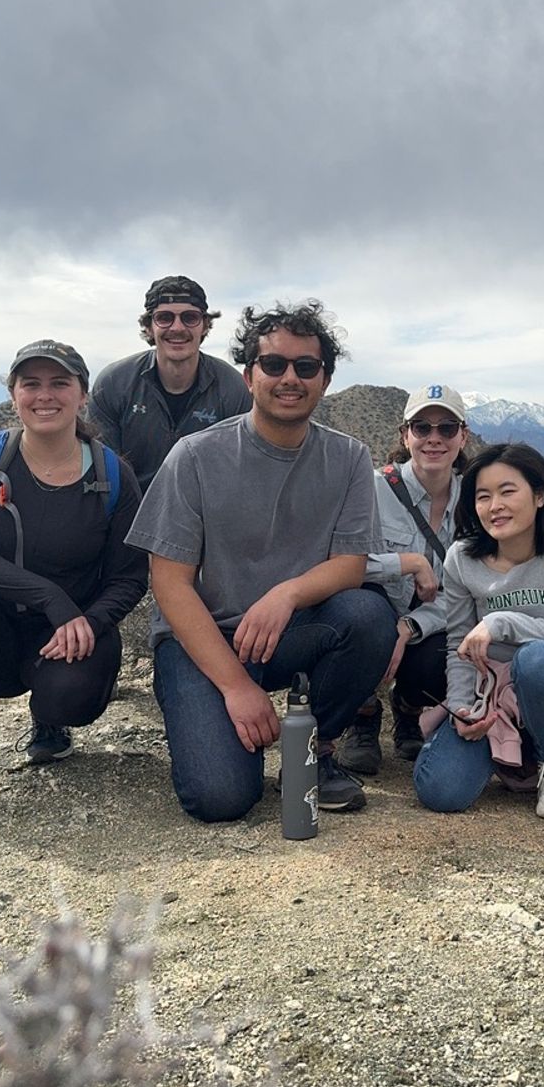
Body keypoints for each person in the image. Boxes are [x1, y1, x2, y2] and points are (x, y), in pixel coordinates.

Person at [126, 301, 398, 821]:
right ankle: (221, 719)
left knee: (367, 617)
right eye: (273, 365)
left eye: (306, 366)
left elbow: (350, 566)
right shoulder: (195, 456)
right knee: (221, 799)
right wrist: (236, 686)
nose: (289, 378)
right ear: (249, 376)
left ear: (325, 379)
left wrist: (285, 594)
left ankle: (314, 751)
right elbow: (169, 584)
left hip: (288, 631)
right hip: (202, 639)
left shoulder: (348, 458)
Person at [0, 341, 148, 827]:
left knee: (70, 696)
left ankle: (51, 720)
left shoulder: (112, 476)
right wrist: (52, 598)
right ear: (13, 393)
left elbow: (129, 577)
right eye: (30, 383)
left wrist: (88, 621)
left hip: (70, 637)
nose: (45, 396)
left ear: (82, 396)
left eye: (60, 383)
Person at [413, 443, 544, 822]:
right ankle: (515, 757)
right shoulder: (461, 559)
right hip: (493, 701)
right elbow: (458, 645)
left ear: (539, 495)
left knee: (534, 657)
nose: (494, 505)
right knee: (440, 790)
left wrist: (503, 622)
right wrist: (460, 707)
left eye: (507, 491)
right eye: (483, 496)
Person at [337, 385, 470, 774]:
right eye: (421, 427)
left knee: (446, 655)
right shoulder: (371, 490)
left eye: (446, 428)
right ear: (404, 435)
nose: (434, 438)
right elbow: (341, 563)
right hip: (373, 610)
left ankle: (409, 709)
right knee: (360, 617)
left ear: (463, 436)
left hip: (431, 620)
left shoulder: (476, 502)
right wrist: (407, 562)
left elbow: (470, 589)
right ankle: (361, 716)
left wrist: (410, 626)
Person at [90, 275, 251, 491]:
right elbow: (104, 473)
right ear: (149, 327)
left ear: (204, 326)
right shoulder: (113, 384)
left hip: (205, 515)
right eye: (165, 317)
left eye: (190, 317)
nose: (177, 327)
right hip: (129, 513)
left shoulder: (231, 388)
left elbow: (237, 471)